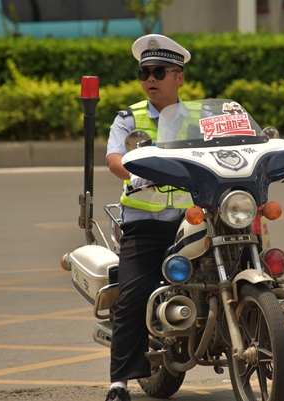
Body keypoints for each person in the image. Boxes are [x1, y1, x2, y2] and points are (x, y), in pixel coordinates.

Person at [104, 34, 193, 401]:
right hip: (145, 223)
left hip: (194, 220)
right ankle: (119, 383)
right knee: (134, 295)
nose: (150, 79)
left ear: (179, 78)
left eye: (159, 71)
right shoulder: (129, 118)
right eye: (145, 73)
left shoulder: (201, 119)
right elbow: (112, 159)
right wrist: (132, 171)